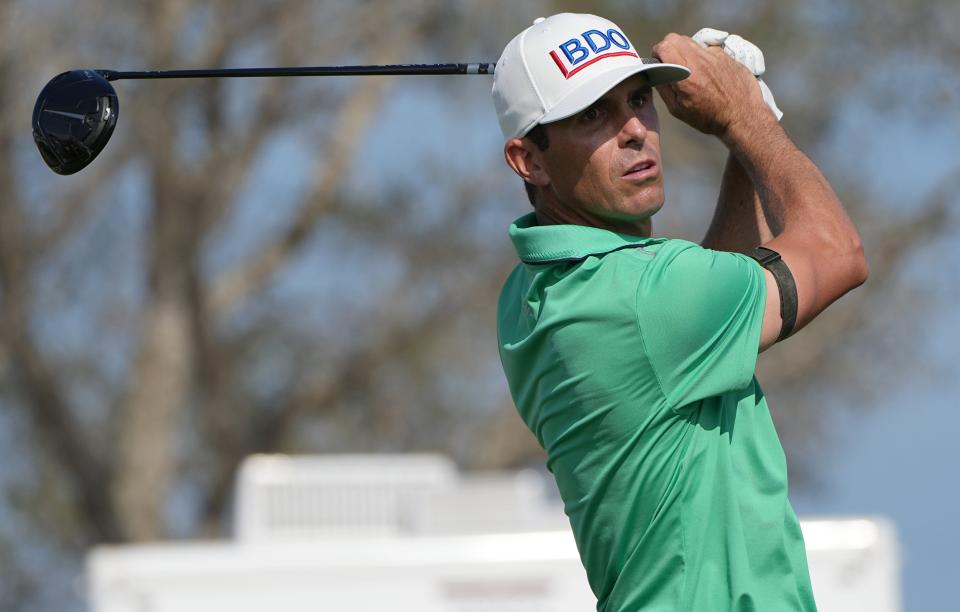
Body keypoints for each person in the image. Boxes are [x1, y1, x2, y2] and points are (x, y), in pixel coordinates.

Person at [492, 13, 867, 612]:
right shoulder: (643, 294)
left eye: (638, 100)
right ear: (528, 159)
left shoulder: (532, 295)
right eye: (592, 115)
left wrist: (746, 140)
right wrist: (745, 119)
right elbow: (838, 254)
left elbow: (699, 314)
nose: (634, 130)